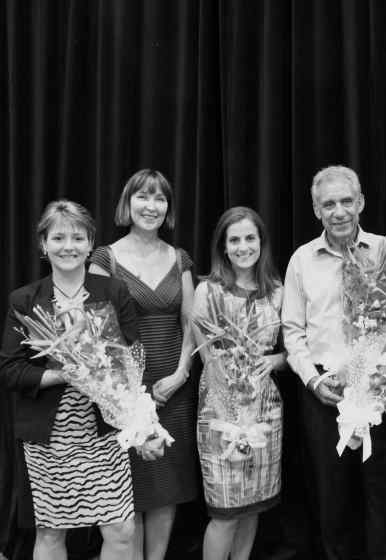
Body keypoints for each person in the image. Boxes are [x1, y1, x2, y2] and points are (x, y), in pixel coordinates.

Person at [0, 200, 162, 560]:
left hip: (104, 432)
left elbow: (135, 362)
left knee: (122, 530)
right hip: (49, 437)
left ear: (91, 244)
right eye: (58, 237)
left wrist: (145, 427)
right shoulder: (26, 301)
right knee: (52, 534)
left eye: (78, 237)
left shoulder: (113, 292)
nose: (68, 246)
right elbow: (11, 370)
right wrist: (65, 374)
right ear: (43, 245)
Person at [282, 165, 386, 560]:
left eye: (346, 201)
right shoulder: (302, 260)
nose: (339, 211)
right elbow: (292, 332)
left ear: (361, 203)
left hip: (378, 392)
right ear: (316, 210)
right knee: (331, 500)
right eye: (328, 204)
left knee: (380, 496)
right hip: (324, 392)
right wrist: (314, 383)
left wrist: (383, 377)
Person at [89, 169, 199, 559]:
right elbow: (98, 335)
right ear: (127, 202)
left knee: (167, 488)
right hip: (127, 395)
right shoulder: (106, 258)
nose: (151, 206)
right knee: (130, 490)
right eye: (143, 197)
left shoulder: (179, 258)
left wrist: (182, 372)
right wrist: (129, 398)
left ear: (167, 207)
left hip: (175, 385)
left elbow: (191, 322)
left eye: (160, 198)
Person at [192, 206, 286, 560]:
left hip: (266, 408)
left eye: (250, 238)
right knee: (225, 510)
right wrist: (228, 399)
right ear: (223, 246)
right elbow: (206, 356)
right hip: (220, 409)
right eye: (235, 240)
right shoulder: (208, 291)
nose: (243, 246)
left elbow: (294, 349)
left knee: (253, 506)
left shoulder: (276, 291)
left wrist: (276, 360)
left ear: (261, 242)